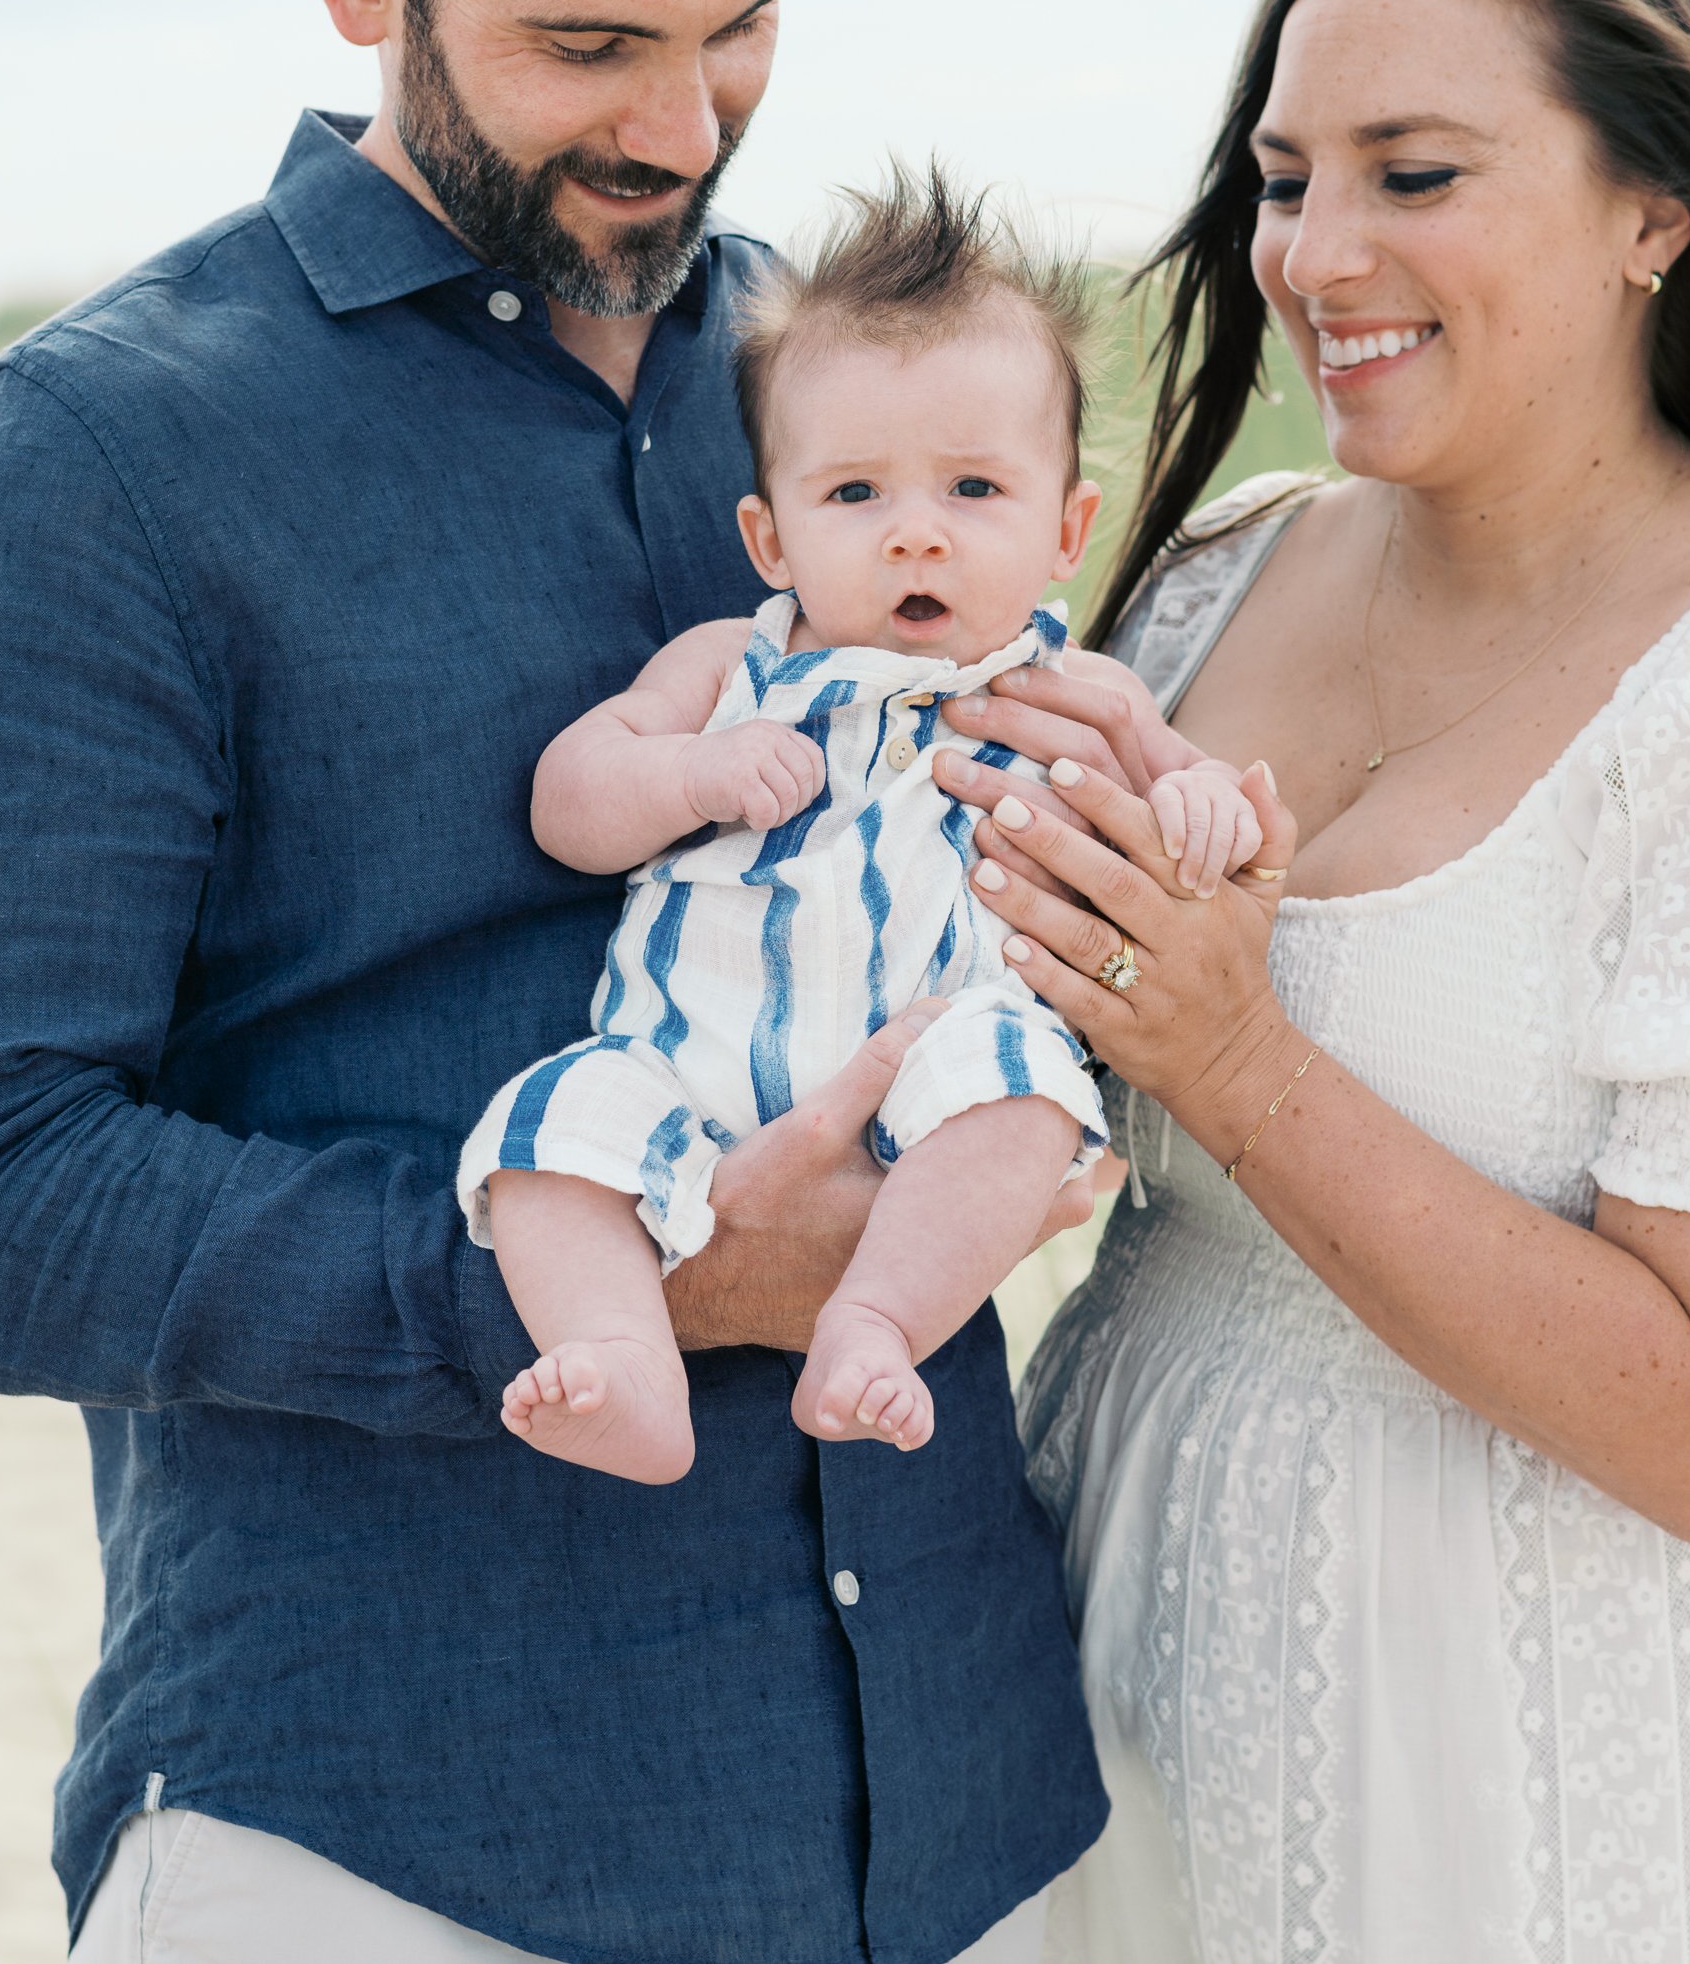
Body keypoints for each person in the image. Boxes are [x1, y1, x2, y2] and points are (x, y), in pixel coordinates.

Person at [0, 0, 1109, 1962]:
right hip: (389, 1836)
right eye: (590, 43)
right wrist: (606, 1286)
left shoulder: (844, 387)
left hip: (981, 1815)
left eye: (745, 27)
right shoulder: (105, 456)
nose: (685, 131)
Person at [928, 0, 1690, 1961]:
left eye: (1412, 173)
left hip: (1500, 1743)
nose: (1318, 254)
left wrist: (1230, 1057)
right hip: (1100, 1638)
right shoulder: (1216, 569)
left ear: (1649, 210)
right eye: (1283, 177)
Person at [465, 170, 1262, 1484]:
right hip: (686, 1062)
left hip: (931, 1058)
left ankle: (875, 1322)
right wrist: (692, 778)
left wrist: (1198, 802)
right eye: (855, 498)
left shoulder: (1076, 692)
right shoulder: (726, 666)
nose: (915, 541)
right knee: (549, 1132)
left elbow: (1199, 792)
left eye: (970, 491)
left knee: (1025, 1091)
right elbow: (569, 803)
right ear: (768, 537)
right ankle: (623, 1367)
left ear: (1068, 528)